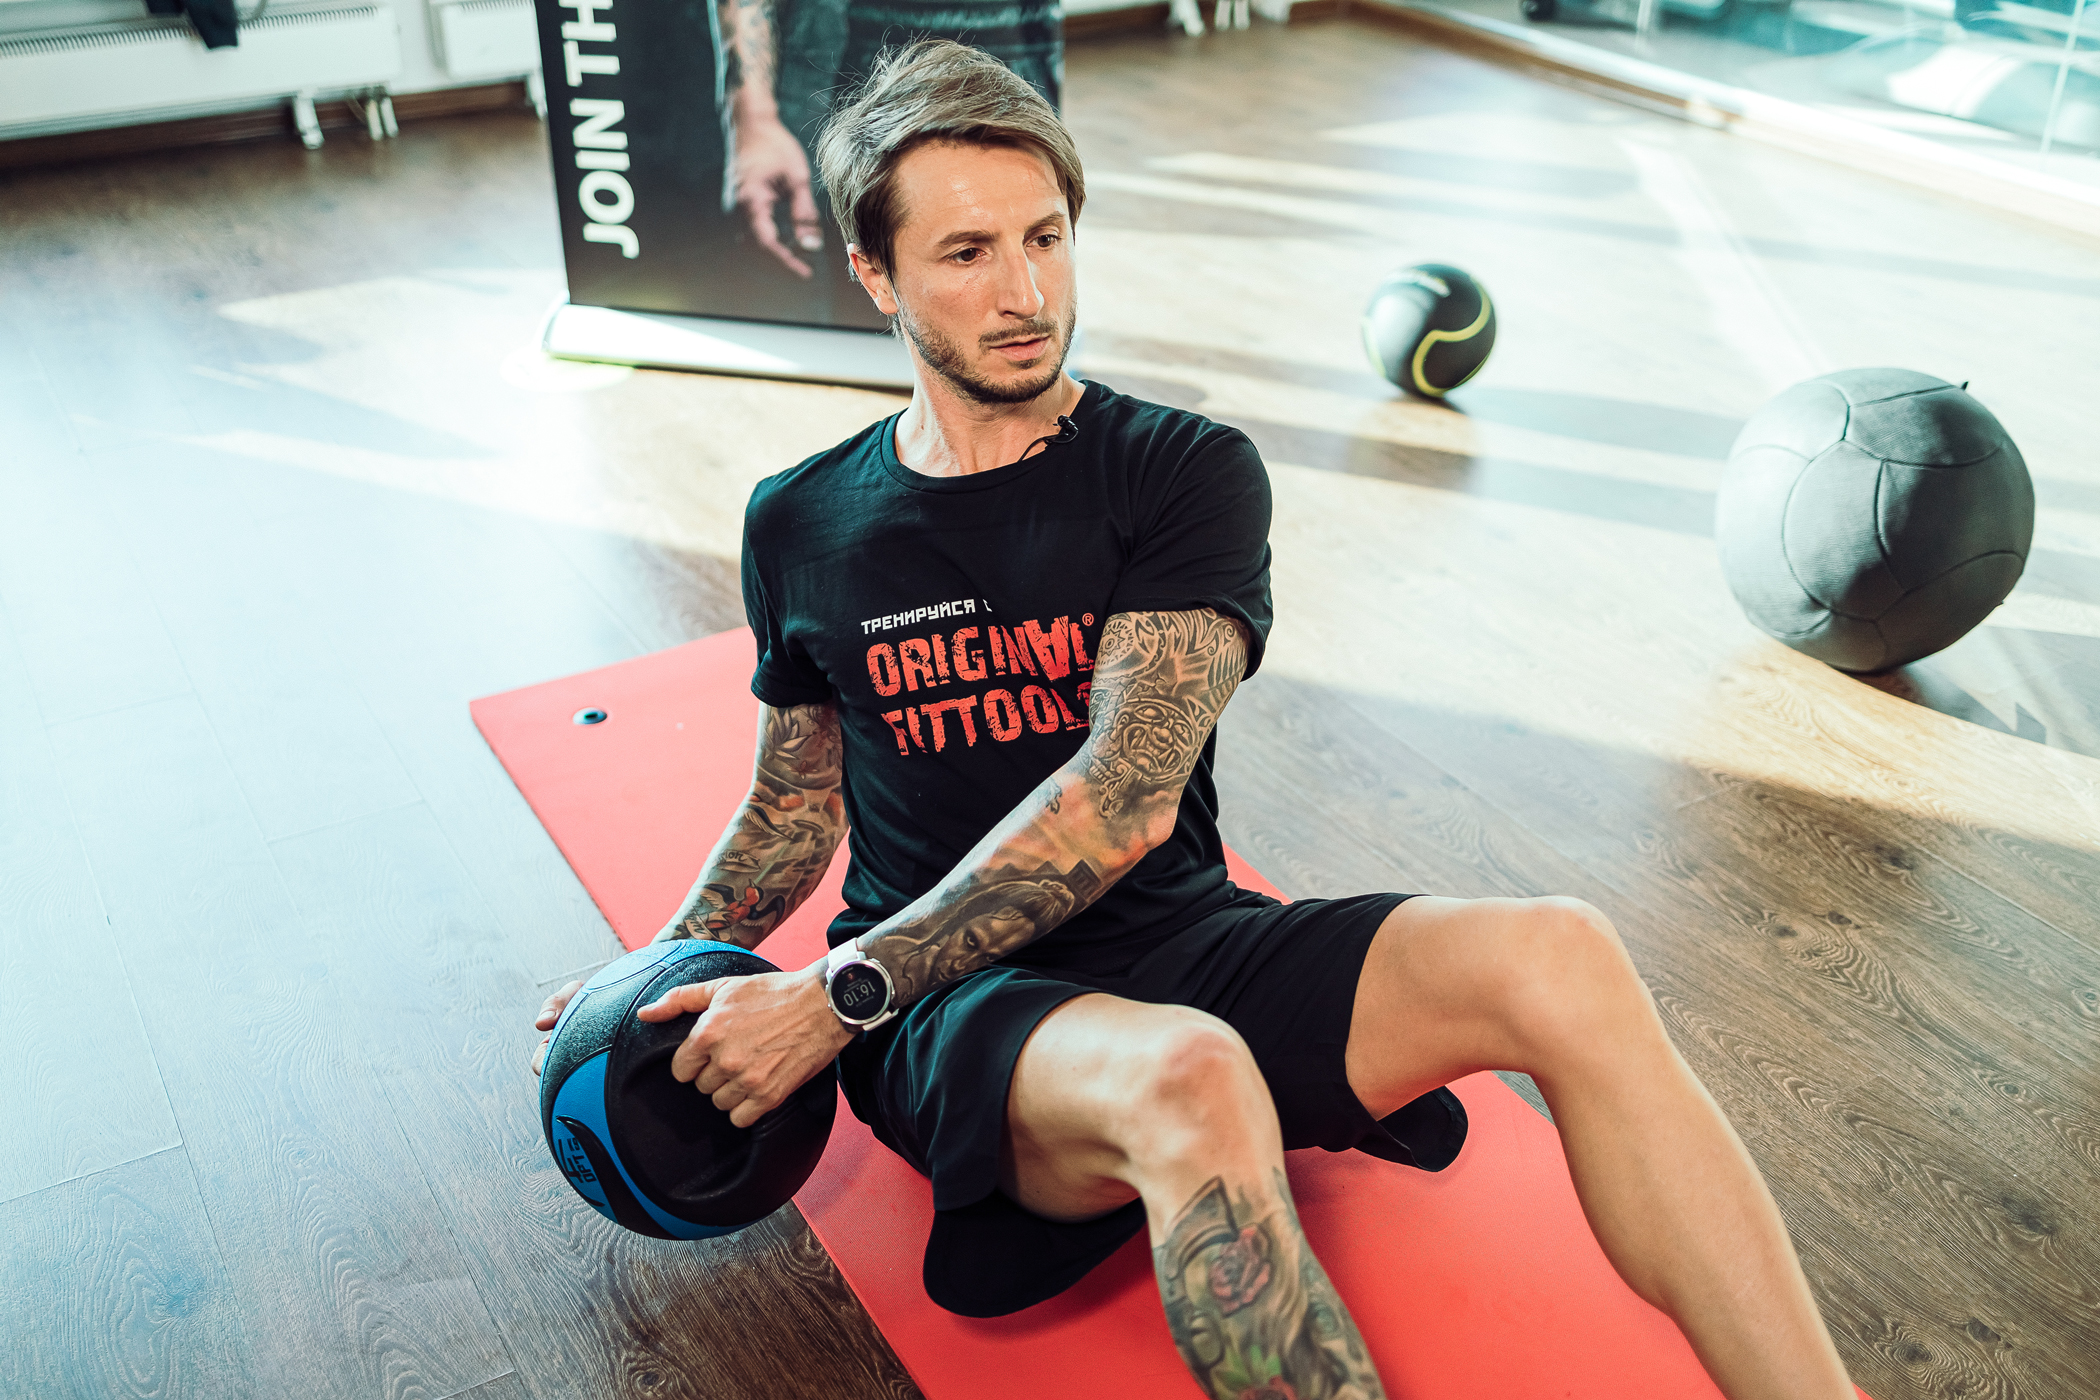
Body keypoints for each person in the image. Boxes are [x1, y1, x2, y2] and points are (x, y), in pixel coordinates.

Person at [535, 39, 1857, 1400]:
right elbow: (794, 803)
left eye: (1046, 237)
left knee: (1562, 954)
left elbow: (1124, 796)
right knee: (1192, 1073)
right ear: (875, 273)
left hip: (1176, 937)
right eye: (968, 253)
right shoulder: (802, 520)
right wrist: (660, 968)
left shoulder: (1182, 470)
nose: (1026, 292)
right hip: (949, 1003)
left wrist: (827, 994)